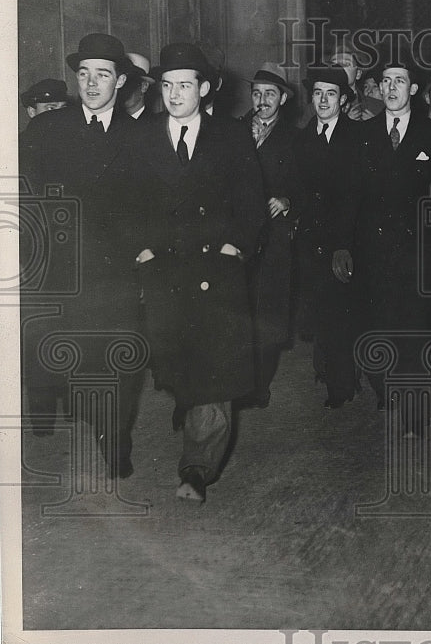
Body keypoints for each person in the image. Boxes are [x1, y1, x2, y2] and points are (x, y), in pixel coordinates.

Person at [122, 42, 266, 503]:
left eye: (185, 85)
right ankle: (189, 410)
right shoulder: (143, 136)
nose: (175, 94)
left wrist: (234, 248)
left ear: (204, 89)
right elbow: (125, 203)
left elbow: (251, 203)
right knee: (178, 366)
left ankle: (197, 469)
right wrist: (141, 249)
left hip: (215, 270)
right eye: (167, 85)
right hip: (164, 270)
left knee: (214, 371)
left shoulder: (230, 136)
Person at [19, 33, 143, 476]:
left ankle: (116, 441)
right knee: (60, 354)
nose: (91, 84)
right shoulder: (47, 129)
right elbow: (23, 197)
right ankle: (53, 413)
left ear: (121, 80)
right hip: (59, 267)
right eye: (84, 74)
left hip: (116, 271)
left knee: (117, 356)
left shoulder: (143, 135)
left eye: (103, 75)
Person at [335, 59, 431, 432]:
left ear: (413, 89)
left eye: (399, 81)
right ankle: (386, 389)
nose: (390, 88)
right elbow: (350, 195)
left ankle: (416, 407)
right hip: (373, 251)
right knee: (379, 323)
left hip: (419, 252)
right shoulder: (361, 135)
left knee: (416, 328)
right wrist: (343, 245)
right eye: (385, 81)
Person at [293, 66, 362, 410]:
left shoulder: (356, 137)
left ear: (344, 100)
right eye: (318, 93)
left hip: (343, 242)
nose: (322, 100)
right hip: (309, 242)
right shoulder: (303, 138)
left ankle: (343, 382)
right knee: (320, 312)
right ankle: (329, 372)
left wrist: (344, 244)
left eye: (331, 93)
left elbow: (355, 197)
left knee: (341, 313)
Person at [241, 63, 301, 407]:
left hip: (276, 237)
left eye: (270, 94)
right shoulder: (234, 131)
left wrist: (288, 200)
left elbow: (307, 185)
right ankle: (241, 381)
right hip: (242, 236)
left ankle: (260, 386)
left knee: (269, 313)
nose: (262, 100)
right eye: (257, 93)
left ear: (283, 98)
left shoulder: (294, 138)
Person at [118, 53, 155, 119]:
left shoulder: (155, 123)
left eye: (130, 83)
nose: (124, 89)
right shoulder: (111, 122)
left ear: (144, 86)